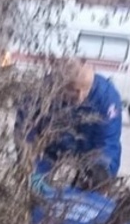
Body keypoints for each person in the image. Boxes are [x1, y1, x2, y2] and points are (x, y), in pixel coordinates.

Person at [15, 58, 124, 192]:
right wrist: (32, 170)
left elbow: (108, 141)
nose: (80, 97)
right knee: (36, 194)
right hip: (51, 147)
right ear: (59, 84)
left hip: (88, 148)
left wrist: (102, 168)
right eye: (73, 90)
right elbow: (26, 134)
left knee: (91, 194)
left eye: (85, 90)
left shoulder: (107, 98)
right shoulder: (39, 94)